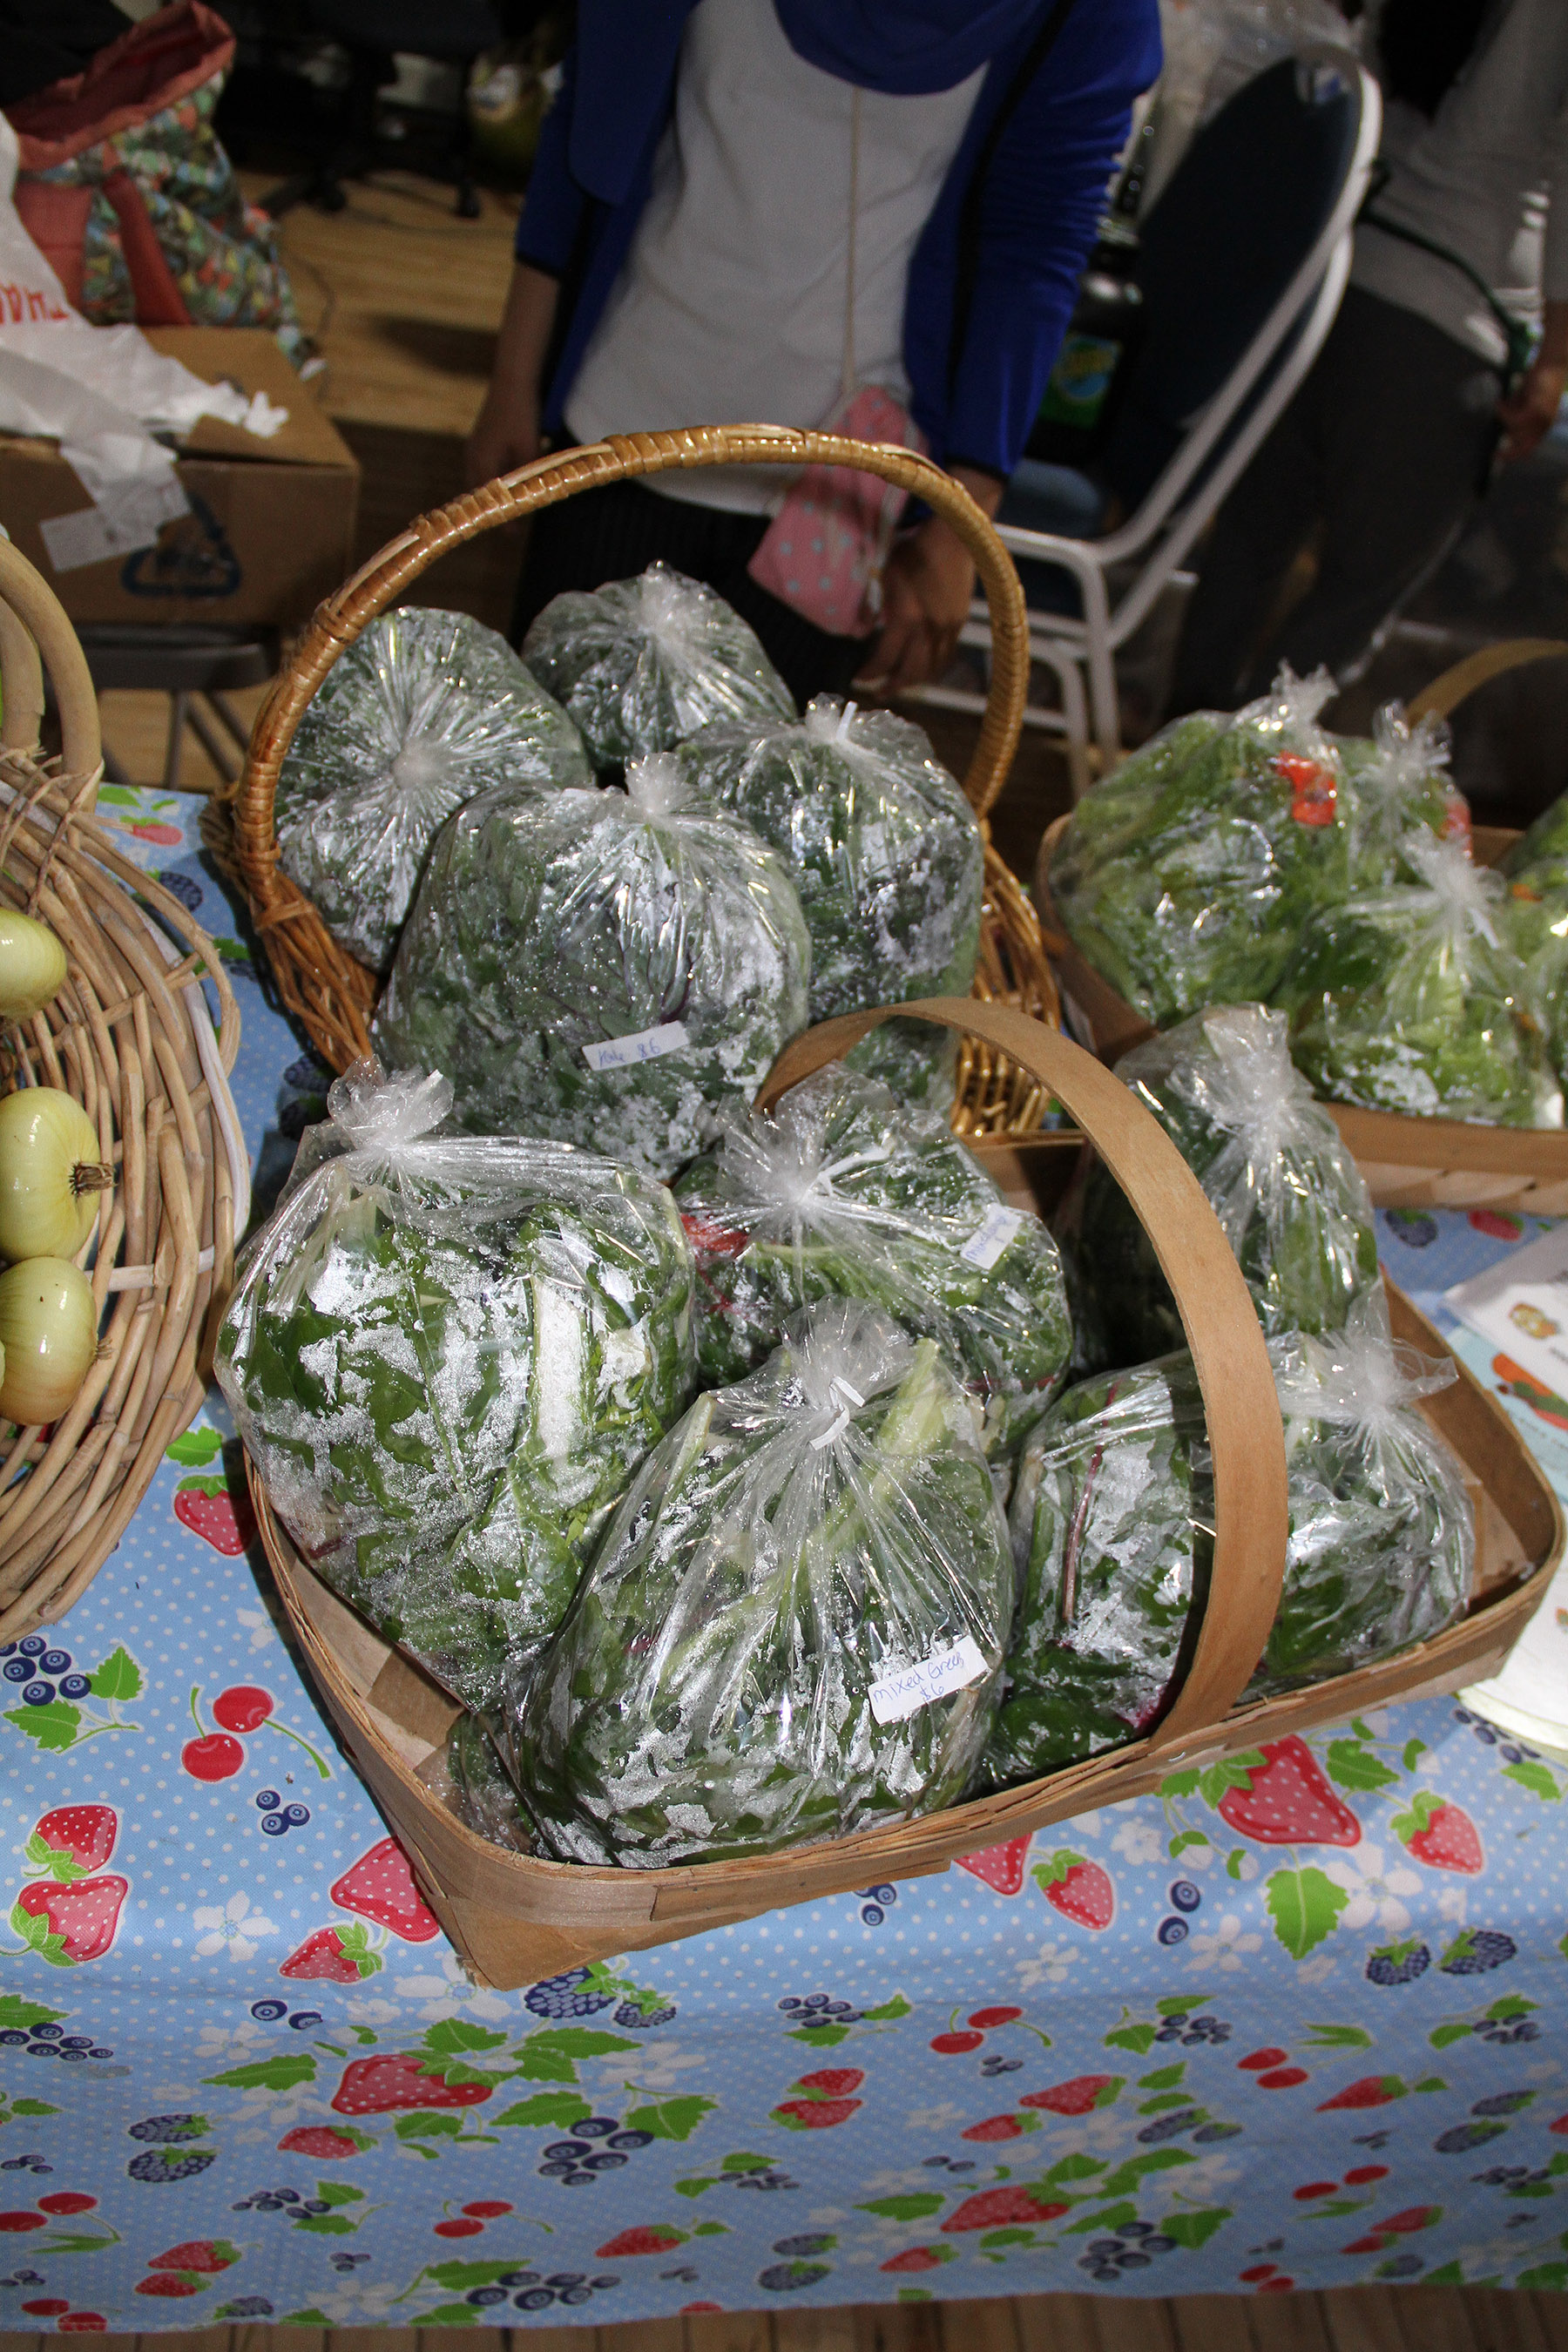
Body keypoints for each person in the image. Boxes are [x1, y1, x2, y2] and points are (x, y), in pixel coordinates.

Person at [465, 0, 1162, 706]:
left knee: (773, 771)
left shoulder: (1086, 13)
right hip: (628, 418)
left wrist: (961, 523)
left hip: (842, 489)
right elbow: (590, 120)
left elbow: (1036, 249)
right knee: (559, 755)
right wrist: (513, 378)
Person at [1168, 0, 1568, 714]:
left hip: (1327, 283)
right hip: (1448, 323)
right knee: (1346, 612)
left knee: (1244, 554)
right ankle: (1250, 770)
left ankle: (1173, 745)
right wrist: (1556, 358)